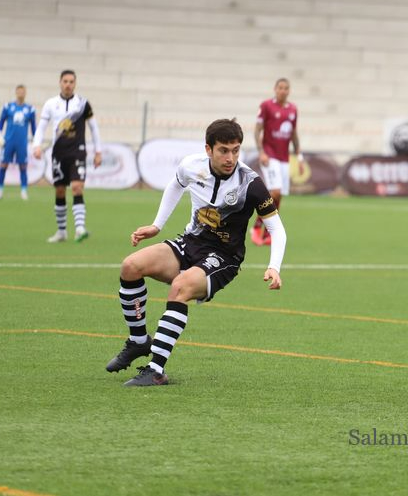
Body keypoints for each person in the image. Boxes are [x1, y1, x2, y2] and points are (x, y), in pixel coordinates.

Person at [106, 118, 288, 387]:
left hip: (224, 258)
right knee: (130, 266)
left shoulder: (251, 184)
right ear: (208, 149)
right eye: (224, 150)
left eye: (236, 150)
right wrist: (157, 225)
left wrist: (275, 266)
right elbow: (176, 185)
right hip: (190, 242)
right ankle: (138, 341)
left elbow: (277, 229)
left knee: (180, 287)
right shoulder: (191, 166)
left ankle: (156, 371)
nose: (231, 157)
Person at [32, 70, 102, 243]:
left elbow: (94, 128)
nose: (68, 84)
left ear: (75, 83)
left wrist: (98, 151)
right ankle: (62, 232)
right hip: (59, 153)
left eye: (71, 81)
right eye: (65, 81)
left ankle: (80, 229)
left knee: (77, 187)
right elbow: (41, 127)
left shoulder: (83, 104)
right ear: (60, 82)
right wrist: (36, 146)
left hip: (77, 151)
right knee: (60, 190)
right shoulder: (50, 104)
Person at [251, 77, 303, 246]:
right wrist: (261, 152)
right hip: (270, 154)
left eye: (286, 88)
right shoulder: (266, 106)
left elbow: (293, 134)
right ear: (275, 89)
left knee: (279, 195)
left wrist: (299, 156)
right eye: (280, 87)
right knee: (275, 191)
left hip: (284, 157)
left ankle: (268, 233)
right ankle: (257, 227)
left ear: (289, 91)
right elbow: (257, 130)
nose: (283, 90)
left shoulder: (293, 109)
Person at [0, 84, 36, 200]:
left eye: (23, 92)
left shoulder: (30, 109)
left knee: (23, 166)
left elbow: (33, 127)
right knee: (3, 165)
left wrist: (35, 141)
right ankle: (0, 190)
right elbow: (1, 122)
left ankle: (23, 191)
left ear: (25, 93)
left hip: (22, 143)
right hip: (8, 142)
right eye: (19, 91)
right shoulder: (8, 107)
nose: (21, 94)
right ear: (16, 92)